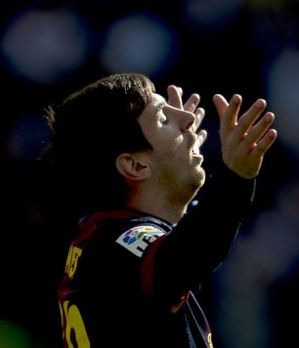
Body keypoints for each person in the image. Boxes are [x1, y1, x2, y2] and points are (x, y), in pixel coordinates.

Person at [38, 72, 277, 347]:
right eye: (163, 118)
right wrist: (234, 178)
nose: (187, 120)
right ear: (136, 166)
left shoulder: (104, 238)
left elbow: (185, 240)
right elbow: (184, 258)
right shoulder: (118, 245)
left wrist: (178, 177)